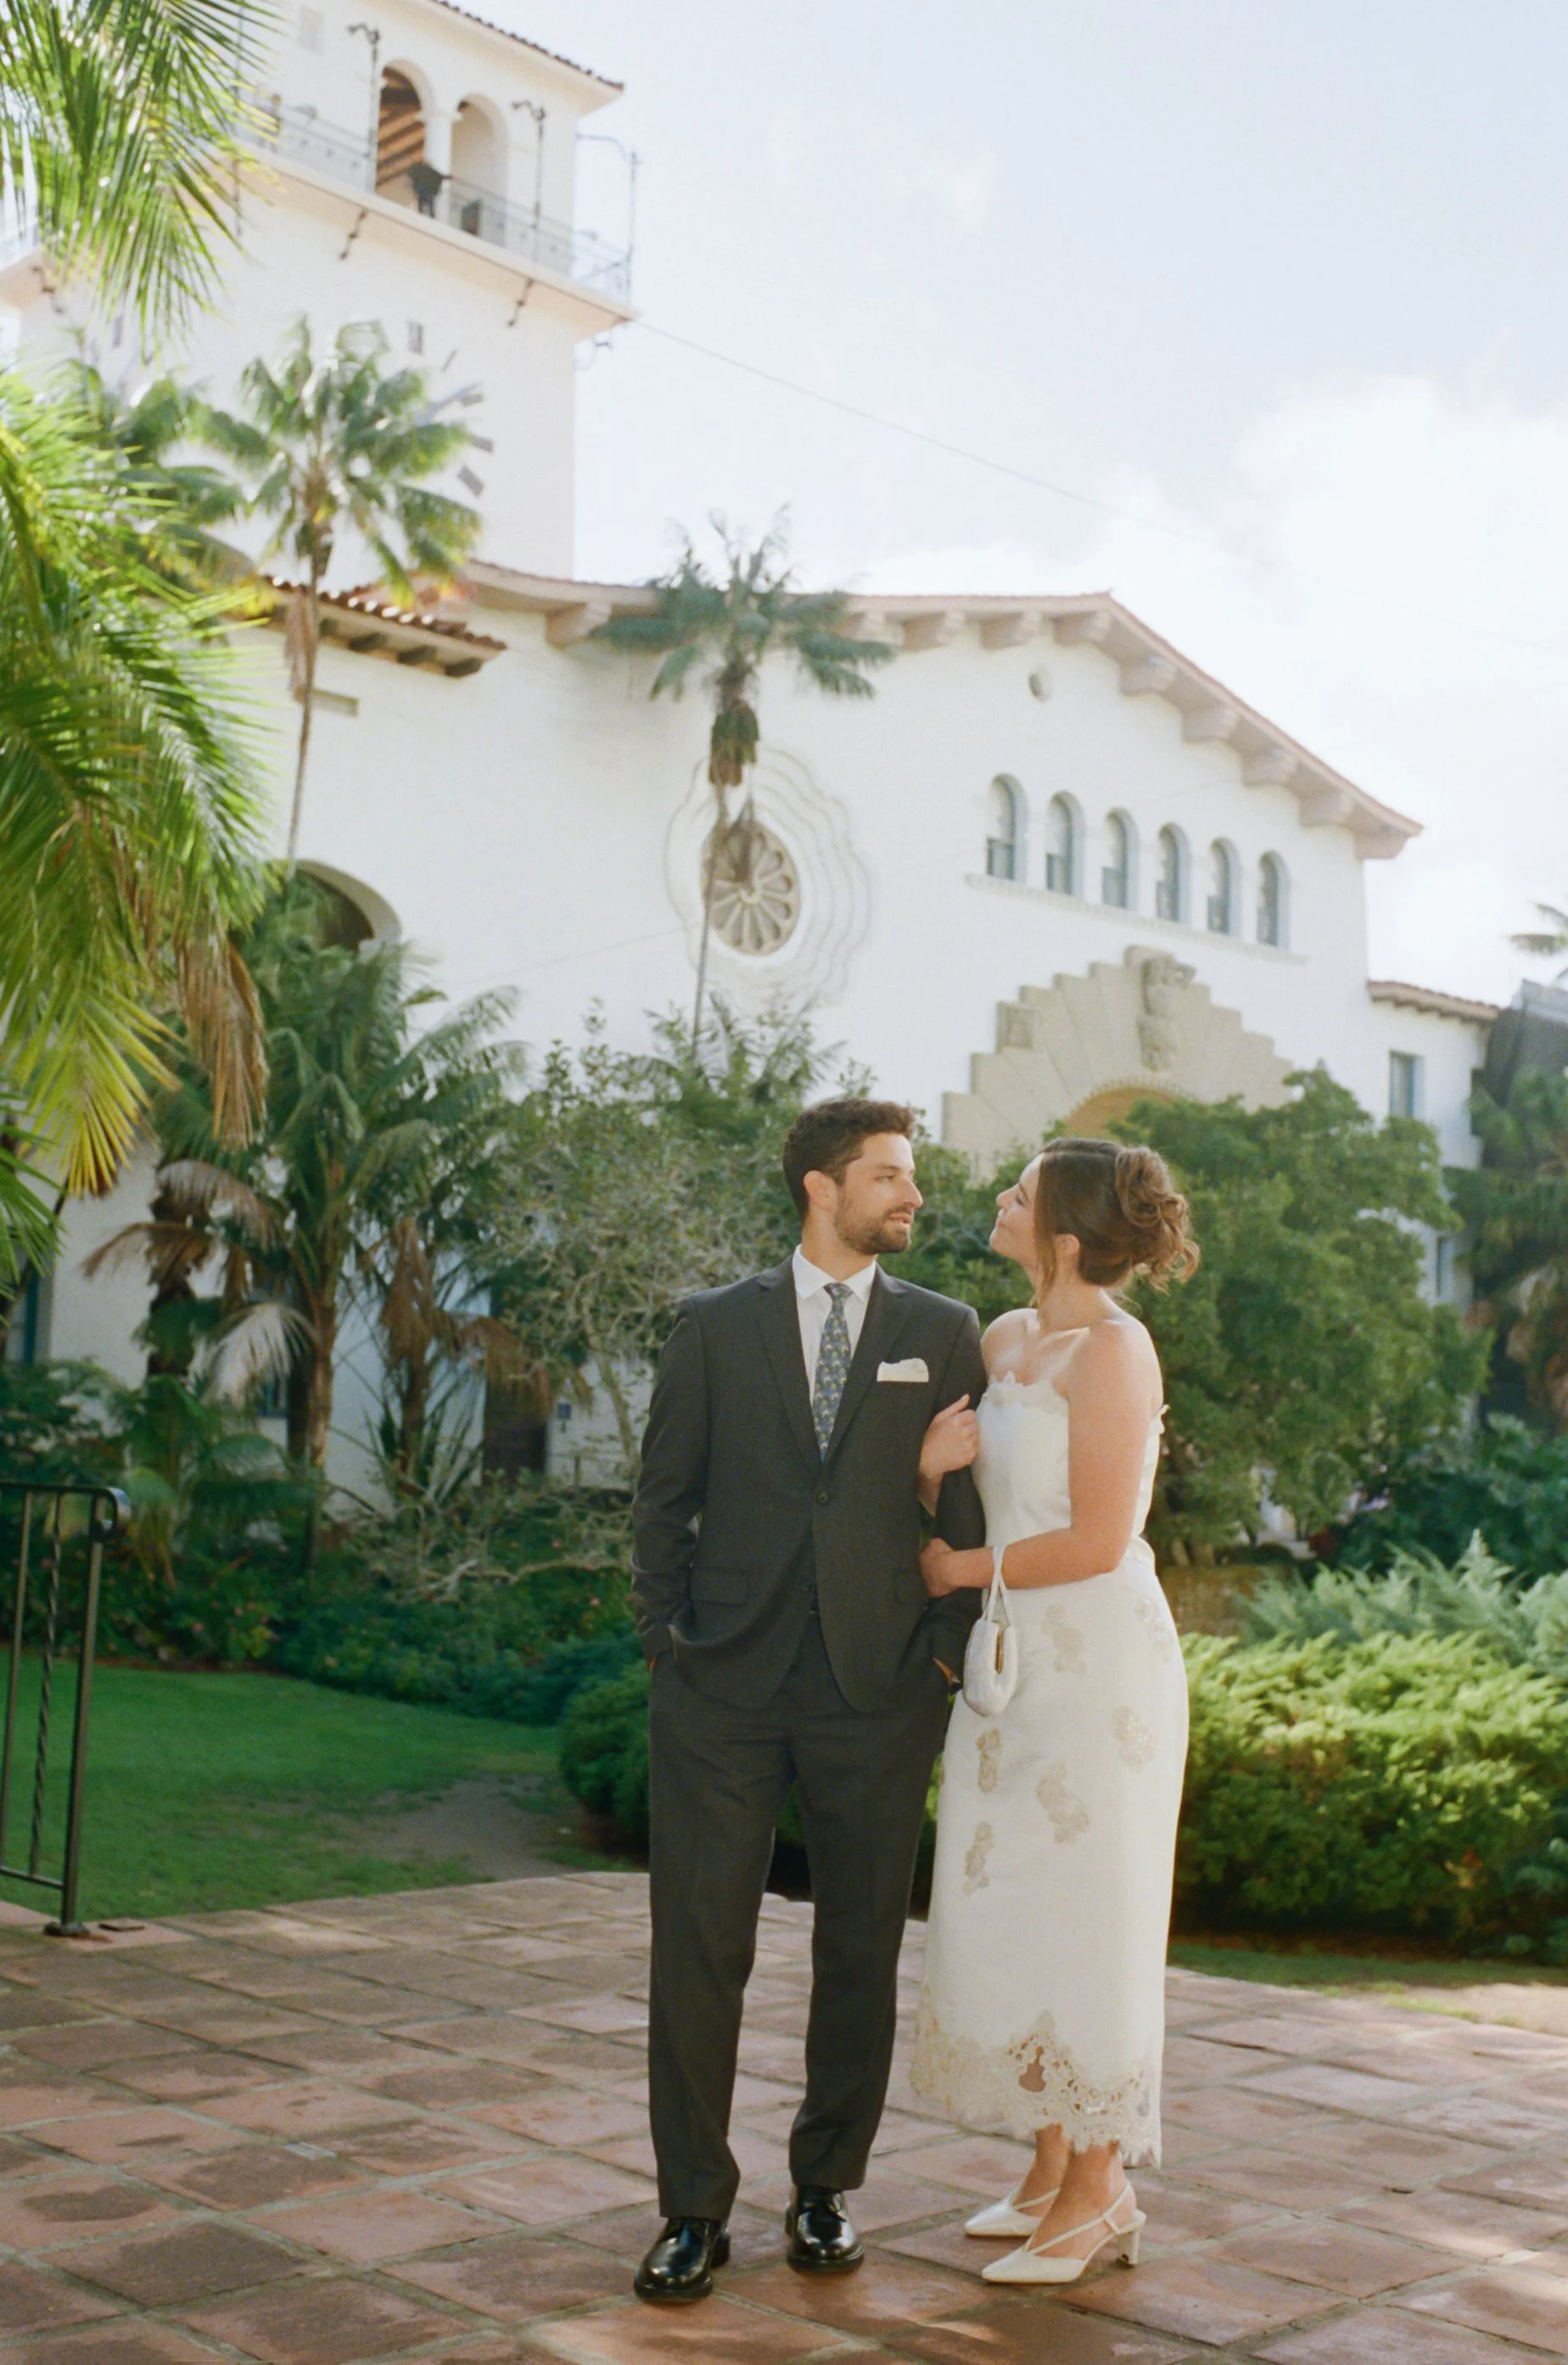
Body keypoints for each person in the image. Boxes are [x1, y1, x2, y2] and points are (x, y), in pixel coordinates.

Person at [630, 1096, 988, 2304]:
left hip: (880, 1689)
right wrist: (666, 1647)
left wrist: (942, 1657)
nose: (912, 1195)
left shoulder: (944, 1328)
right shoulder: (713, 1327)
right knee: (697, 1950)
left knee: (859, 1952)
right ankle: (691, 2207)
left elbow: (963, 1512)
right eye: (890, 1174)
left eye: (913, 1175)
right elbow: (661, 1497)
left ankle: (827, 2188)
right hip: (721, 1688)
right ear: (820, 1189)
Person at [910, 1135, 1197, 2286]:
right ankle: (1044, 2166)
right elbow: (983, 1484)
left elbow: (1095, 1538)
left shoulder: (1118, 1354)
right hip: (1011, 1662)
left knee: (1091, 1913)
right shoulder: (1004, 1337)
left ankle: (1100, 2189)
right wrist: (931, 1472)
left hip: (1096, 1670)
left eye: (1021, 1194)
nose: (1000, 1200)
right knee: (1009, 1900)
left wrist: (953, 1572)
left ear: (1065, 1236)